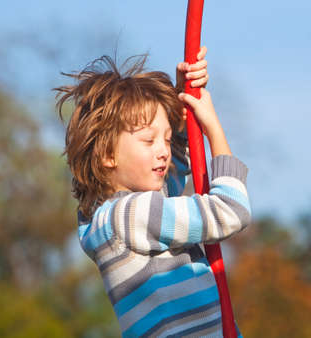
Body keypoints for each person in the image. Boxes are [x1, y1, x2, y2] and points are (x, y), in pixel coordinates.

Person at [55, 47, 251, 337]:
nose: (163, 151)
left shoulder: (105, 218)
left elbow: (174, 170)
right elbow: (230, 210)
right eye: (149, 140)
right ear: (108, 153)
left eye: (167, 139)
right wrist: (211, 126)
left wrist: (182, 105)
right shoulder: (133, 215)